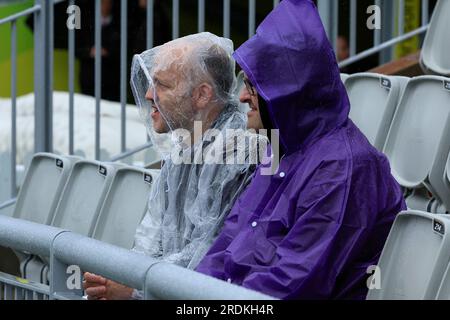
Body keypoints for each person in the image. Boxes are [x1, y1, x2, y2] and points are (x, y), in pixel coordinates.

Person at [196, 0, 406, 300]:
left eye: (253, 86)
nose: (242, 97)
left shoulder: (344, 168)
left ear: (287, 91)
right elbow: (229, 243)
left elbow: (293, 286)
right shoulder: (283, 146)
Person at [83, 32, 261, 300]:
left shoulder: (240, 154)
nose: (148, 94)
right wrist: (119, 280)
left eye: (162, 85)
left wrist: (135, 291)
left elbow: (209, 256)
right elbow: (150, 240)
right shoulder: (182, 148)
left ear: (202, 95)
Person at [76, 0, 121, 102]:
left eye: (108, 2)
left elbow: (125, 47)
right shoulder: (86, 24)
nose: (105, 5)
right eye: (102, 2)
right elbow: (76, 48)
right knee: (89, 106)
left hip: (111, 78)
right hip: (89, 76)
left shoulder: (119, 22)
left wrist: (107, 51)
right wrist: (89, 51)